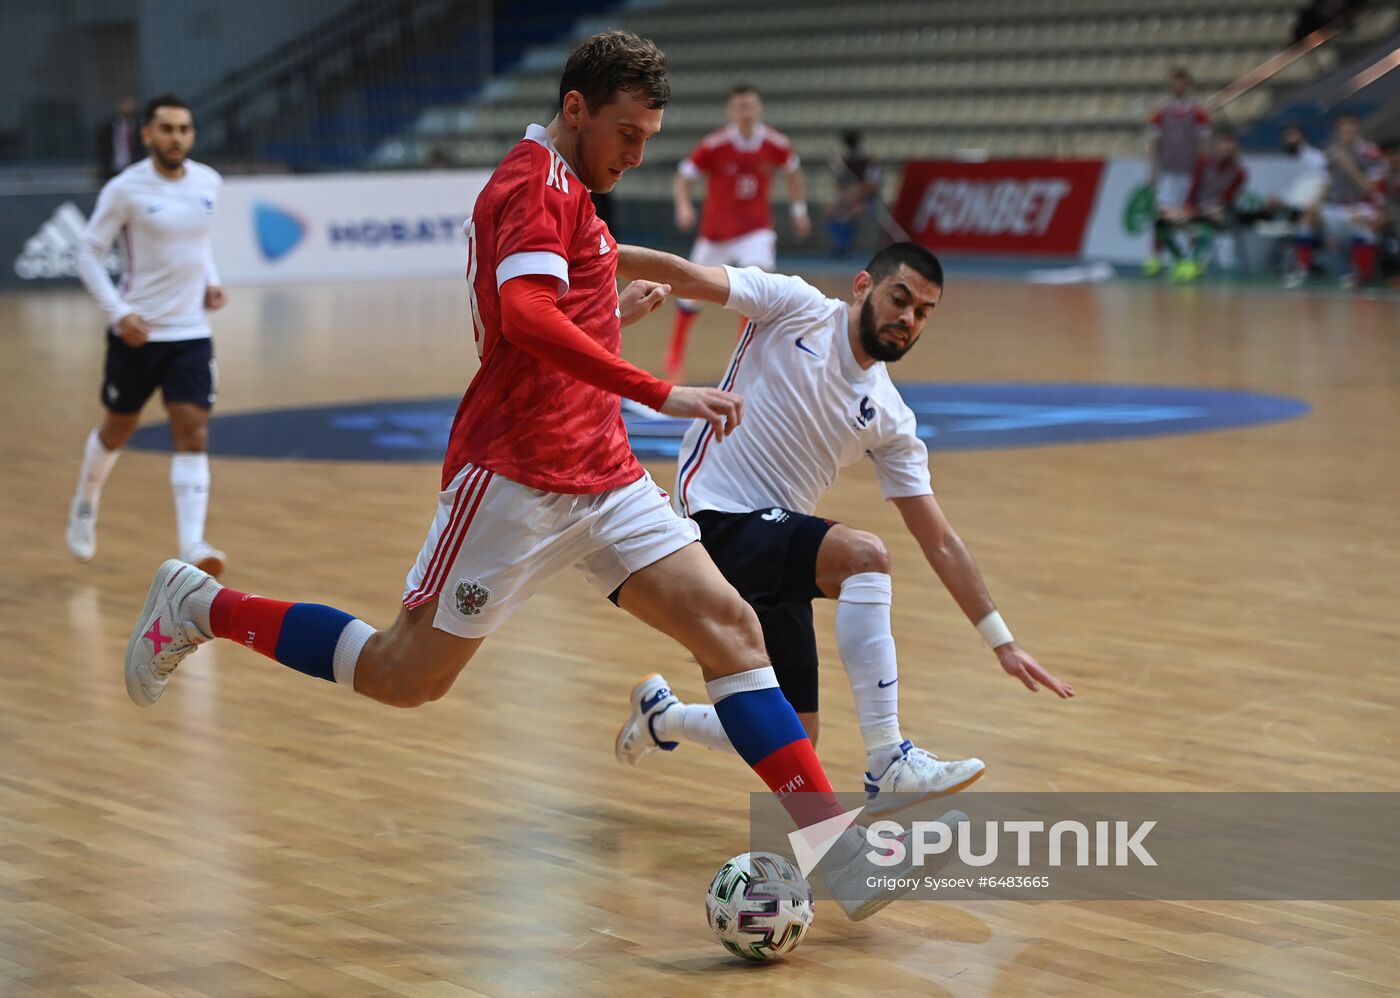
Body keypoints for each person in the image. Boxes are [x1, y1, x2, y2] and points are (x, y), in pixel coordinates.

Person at [121, 32, 944, 922]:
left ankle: (835, 852)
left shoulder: (573, 189)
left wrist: (609, 314)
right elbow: (522, 317)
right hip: (515, 475)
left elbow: (554, 318)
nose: (638, 155)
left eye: (649, 138)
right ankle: (201, 607)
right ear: (575, 109)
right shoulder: (531, 185)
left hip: (605, 472)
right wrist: (659, 390)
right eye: (627, 134)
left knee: (733, 629)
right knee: (404, 675)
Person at [613, 241, 1073, 814]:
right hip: (715, 521)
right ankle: (889, 760)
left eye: (923, 311)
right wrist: (591, 247)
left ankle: (664, 717)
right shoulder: (797, 306)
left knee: (795, 735)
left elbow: (939, 540)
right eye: (899, 299)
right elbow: (688, 275)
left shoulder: (891, 416)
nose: (908, 319)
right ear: (862, 287)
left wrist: (1002, 640)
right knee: (864, 556)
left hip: (774, 540)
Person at [70, 94, 228, 575]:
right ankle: (86, 500)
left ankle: (193, 545)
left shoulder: (208, 181)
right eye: (167, 129)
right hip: (137, 334)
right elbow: (87, 254)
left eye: (184, 129)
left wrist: (212, 280)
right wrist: (120, 313)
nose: (176, 138)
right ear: (147, 135)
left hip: (191, 332)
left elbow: (199, 244)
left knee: (193, 431)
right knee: (117, 429)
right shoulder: (125, 189)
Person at [665, 84, 810, 380]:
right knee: (691, 292)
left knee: (757, 286)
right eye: (740, 107)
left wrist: (799, 210)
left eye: (751, 106)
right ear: (731, 111)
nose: (746, 113)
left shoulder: (776, 143)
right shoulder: (715, 145)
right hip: (716, 233)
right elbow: (683, 176)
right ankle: (676, 351)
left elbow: (793, 171)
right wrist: (683, 205)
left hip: (755, 230)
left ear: (759, 109)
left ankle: (743, 353)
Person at [1289, 113, 1386, 288]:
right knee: (1308, 219)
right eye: (1345, 131)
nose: (1349, 134)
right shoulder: (1332, 152)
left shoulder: (1369, 153)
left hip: (1361, 206)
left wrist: (1350, 166)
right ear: (1338, 132)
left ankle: (1361, 275)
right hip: (1335, 207)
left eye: (1352, 130)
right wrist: (1315, 205)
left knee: (1363, 229)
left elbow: (1370, 188)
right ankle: (1302, 270)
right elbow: (1327, 183)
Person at [1155, 126, 1249, 281]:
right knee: (1161, 220)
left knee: (1208, 223)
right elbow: (1193, 189)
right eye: (1223, 144)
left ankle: (1194, 263)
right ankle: (1179, 260)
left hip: (1220, 212)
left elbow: (1227, 199)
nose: (1226, 149)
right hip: (1197, 209)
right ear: (1217, 145)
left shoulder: (1239, 173)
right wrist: (1186, 208)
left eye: (1230, 145)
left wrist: (1202, 211)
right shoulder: (1203, 164)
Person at [1144, 68, 1211, 276]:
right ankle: (1157, 257)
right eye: (1175, 83)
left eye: (1182, 83)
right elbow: (1154, 142)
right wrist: (1153, 169)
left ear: (1188, 85)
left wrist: (1203, 170)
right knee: (1161, 214)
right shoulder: (1161, 112)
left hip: (1189, 172)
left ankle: (1192, 259)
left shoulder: (1198, 113)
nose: (1178, 87)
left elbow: (1204, 143)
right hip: (1168, 171)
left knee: (1188, 215)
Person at [827, 130, 883, 258]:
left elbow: (871, 186)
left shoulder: (870, 163)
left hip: (868, 201)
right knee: (830, 210)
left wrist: (855, 193)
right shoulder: (845, 164)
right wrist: (845, 197)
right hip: (849, 200)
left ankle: (847, 244)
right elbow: (840, 185)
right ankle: (840, 245)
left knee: (851, 212)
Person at [96, 96, 144, 182]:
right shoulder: (109, 125)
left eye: (130, 104)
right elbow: (102, 146)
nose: (127, 107)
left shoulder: (139, 127)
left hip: (134, 166)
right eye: (125, 104)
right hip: (113, 167)